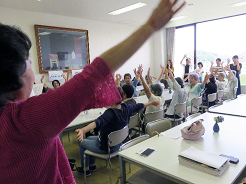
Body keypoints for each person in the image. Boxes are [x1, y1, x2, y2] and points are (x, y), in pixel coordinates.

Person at [0, 0, 185, 183]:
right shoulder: (26, 120)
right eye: (29, 62)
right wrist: (149, 27)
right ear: (16, 77)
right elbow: (94, 74)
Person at [76, 87, 159, 176]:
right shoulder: (126, 107)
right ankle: (91, 165)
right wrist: (151, 102)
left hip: (106, 147)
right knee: (89, 137)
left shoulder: (110, 113)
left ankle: (86, 170)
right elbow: (139, 106)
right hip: (118, 143)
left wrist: (83, 130)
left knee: (82, 143)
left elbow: (97, 122)